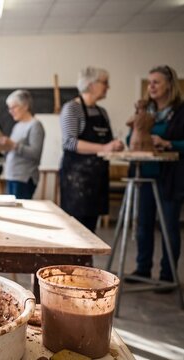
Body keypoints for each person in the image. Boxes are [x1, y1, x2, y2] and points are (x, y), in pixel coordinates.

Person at [127, 65, 184, 286]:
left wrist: (169, 143)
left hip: (168, 178)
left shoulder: (180, 112)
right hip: (143, 176)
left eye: (156, 82)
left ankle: (167, 275)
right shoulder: (145, 111)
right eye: (149, 82)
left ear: (170, 85)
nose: (150, 86)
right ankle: (143, 269)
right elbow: (131, 138)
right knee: (143, 225)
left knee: (169, 226)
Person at [59, 67, 124, 232]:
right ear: (91, 84)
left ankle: (88, 259)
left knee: (91, 230)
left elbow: (108, 141)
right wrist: (104, 147)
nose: (108, 87)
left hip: (97, 177)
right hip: (77, 179)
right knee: (75, 231)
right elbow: (70, 142)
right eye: (105, 83)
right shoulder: (72, 108)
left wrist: (115, 145)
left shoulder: (102, 112)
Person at [0, 90, 45, 199]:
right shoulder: (17, 126)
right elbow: (13, 149)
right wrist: (4, 146)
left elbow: (35, 153)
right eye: (9, 108)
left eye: (13, 107)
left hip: (24, 178)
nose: (10, 111)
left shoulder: (35, 125)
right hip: (12, 175)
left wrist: (13, 145)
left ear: (25, 106)